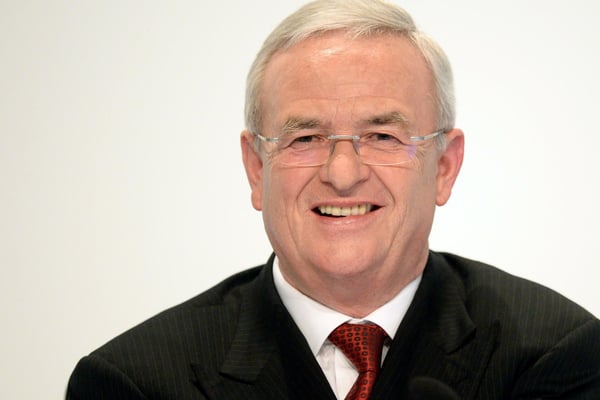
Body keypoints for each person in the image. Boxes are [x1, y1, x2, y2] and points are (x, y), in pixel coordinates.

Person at [66, 0, 600, 399]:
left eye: (382, 136)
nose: (342, 174)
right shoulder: (136, 383)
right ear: (256, 169)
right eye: (305, 138)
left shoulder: (554, 356)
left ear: (444, 166)